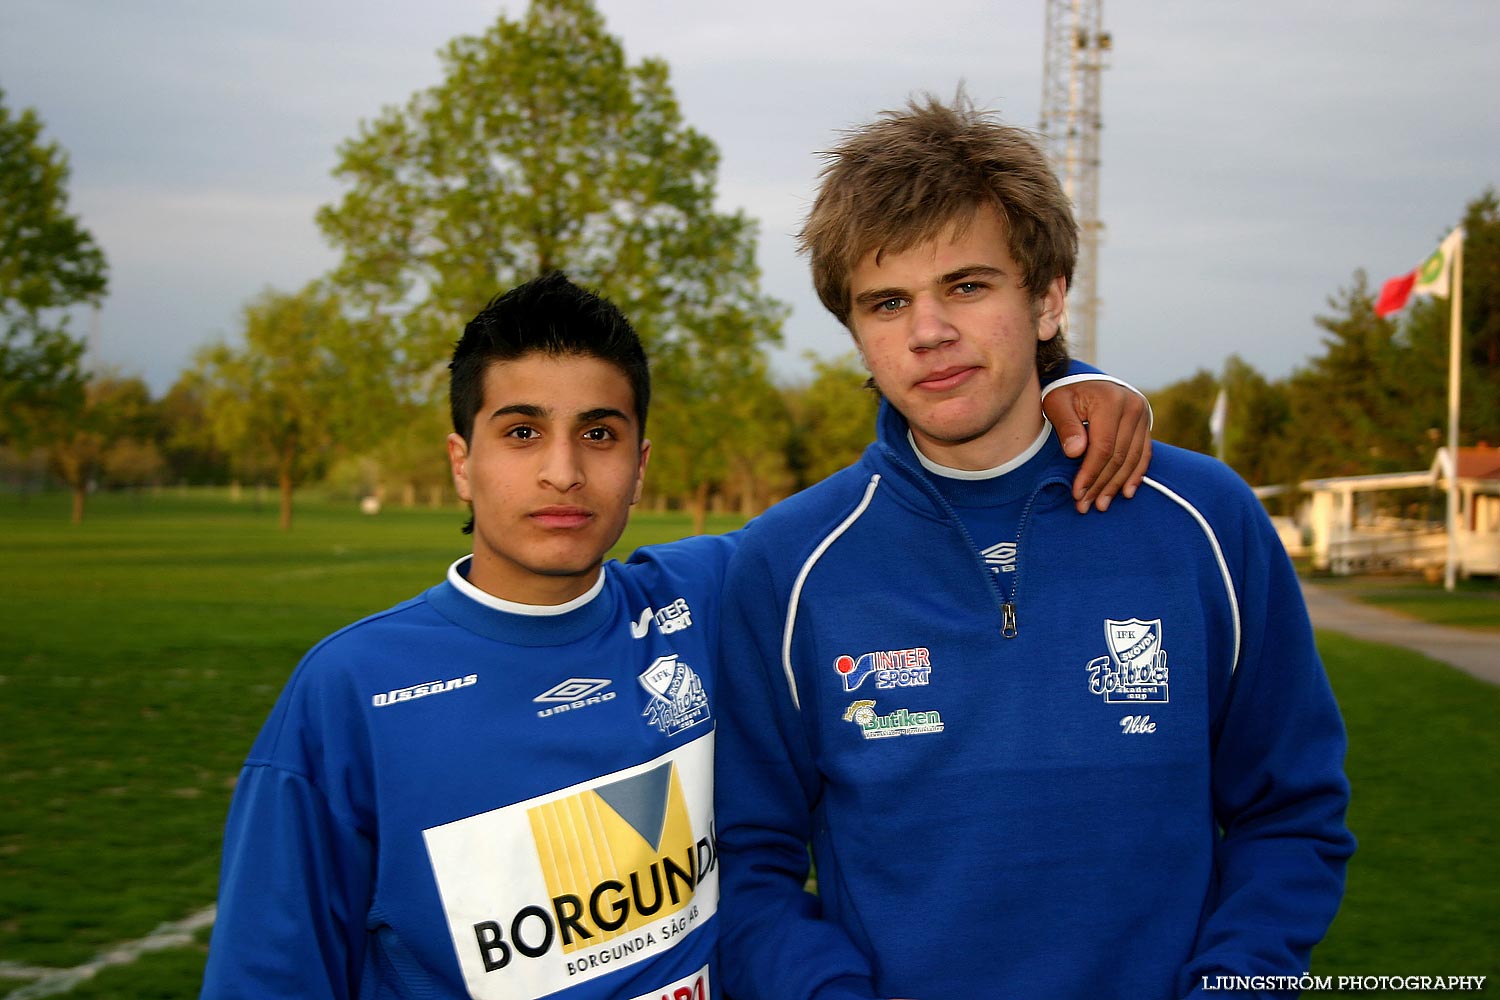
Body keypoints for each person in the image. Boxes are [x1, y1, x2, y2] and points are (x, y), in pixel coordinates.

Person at [199, 271, 1150, 999]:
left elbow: (892, 496)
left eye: (600, 434)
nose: (564, 471)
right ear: (461, 460)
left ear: (641, 464)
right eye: (522, 433)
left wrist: (1072, 382)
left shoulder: (715, 594)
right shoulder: (352, 693)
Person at [712, 95, 1355, 1000]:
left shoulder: (1205, 519)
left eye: (968, 286)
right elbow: (746, 859)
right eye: (887, 301)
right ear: (856, 330)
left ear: (1048, 298)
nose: (928, 332)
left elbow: (1291, 813)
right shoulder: (788, 564)